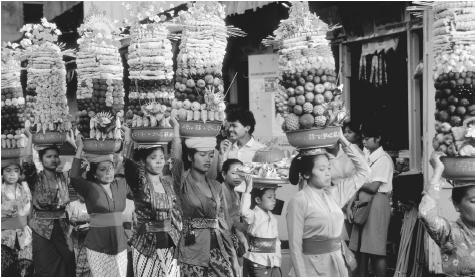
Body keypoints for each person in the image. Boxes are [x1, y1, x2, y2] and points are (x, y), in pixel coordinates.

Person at [286, 130, 370, 277]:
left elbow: (365, 172)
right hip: (311, 267)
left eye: (329, 168)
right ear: (306, 174)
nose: (327, 173)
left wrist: (343, 140)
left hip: (336, 264)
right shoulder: (299, 200)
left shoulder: (335, 194)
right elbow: (295, 246)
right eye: (321, 169)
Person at [171, 118, 239, 276]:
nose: (208, 159)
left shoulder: (215, 186)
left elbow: (223, 223)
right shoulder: (182, 183)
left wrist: (233, 257)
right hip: (192, 251)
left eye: (210, 155)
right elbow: (176, 161)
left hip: (218, 250)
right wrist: (176, 131)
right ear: (190, 157)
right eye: (202, 155)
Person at [122, 125, 182, 277]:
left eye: (162, 158)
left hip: (170, 245)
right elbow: (128, 166)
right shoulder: (140, 183)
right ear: (143, 161)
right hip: (145, 246)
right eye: (153, 158)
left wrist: (176, 131)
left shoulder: (169, 183)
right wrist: (128, 138)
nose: (159, 162)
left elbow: (178, 162)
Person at [70, 138, 130, 277]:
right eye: (103, 169)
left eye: (111, 168)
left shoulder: (121, 184)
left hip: (120, 244)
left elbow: (132, 170)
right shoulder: (89, 187)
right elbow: (74, 176)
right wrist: (79, 148)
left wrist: (126, 142)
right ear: (95, 173)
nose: (108, 172)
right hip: (97, 245)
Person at [23, 129, 76, 276]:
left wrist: (73, 143)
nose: (53, 159)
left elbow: (80, 163)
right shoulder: (36, 179)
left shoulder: (64, 176)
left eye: (56, 156)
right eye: (49, 156)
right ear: (41, 159)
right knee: (46, 267)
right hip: (42, 230)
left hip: (63, 228)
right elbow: (27, 162)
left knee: (69, 262)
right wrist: (31, 138)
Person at [348, 124, 394, 276]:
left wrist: (357, 183)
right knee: (361, 248)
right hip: (364, 203)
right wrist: (351, 204)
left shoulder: (384, 159)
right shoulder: (368, 157)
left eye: (367, 139)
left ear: (378, 139)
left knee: (375, 250)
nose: (365, 142)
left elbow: (374, 187)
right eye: (363, 139)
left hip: (377, 203)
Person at [418, 152, 474, 276]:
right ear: (456, 204)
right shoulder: (450, 233)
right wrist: (438, 172)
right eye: (474, 201)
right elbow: (426, 214)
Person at [241, 175, 282, 277]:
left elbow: (276, 241)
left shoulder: (272, 217)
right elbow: (243, 212)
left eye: (274, 197)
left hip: (273, 260)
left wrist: (277, 260)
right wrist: (247, 190)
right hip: (257, 260)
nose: (274, 200)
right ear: (258, 200)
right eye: (269, 197)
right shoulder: (254, 214)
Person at [1, 156, 34, 277]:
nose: (12, 174)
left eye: (16, 170)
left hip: (24, 237)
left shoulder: (24, 189)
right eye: (8, 171)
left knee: (25, 270)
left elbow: (29, 212)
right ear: (2, 172)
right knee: (5, 271)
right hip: (3, 238)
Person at [220, 158, 248, 275]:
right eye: (233, 173)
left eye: (240, 173)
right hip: (224, 238)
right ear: (223, 174)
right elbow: (227, 220)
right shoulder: (221, 191)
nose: (237, 177)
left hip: (234, 236)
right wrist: (241, 235)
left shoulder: (235, 193)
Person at [219, 110, 265, 176]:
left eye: (234, 126)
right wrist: (222, 155)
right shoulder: (226, 148)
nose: (230, 129)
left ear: (247, 128)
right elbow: (222, 175)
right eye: (230, 126)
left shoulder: (261, 150)